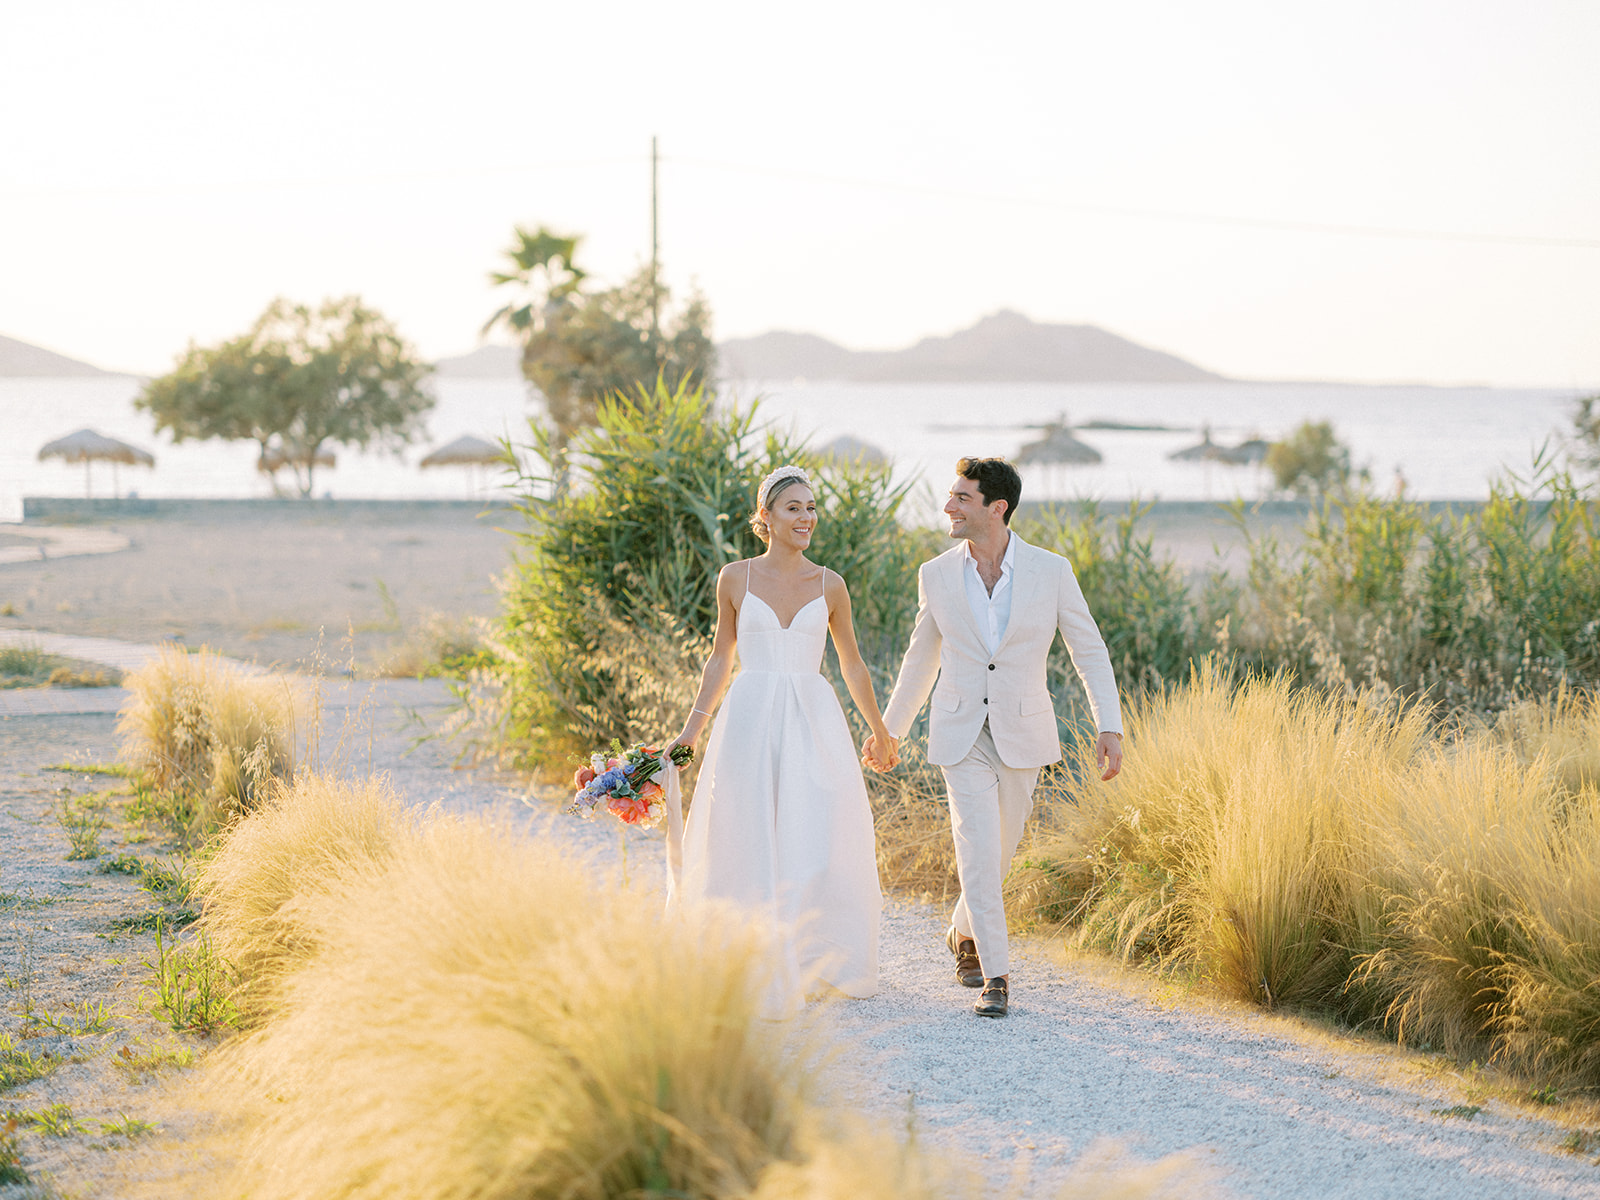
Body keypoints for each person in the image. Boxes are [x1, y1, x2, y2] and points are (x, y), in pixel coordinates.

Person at [867, 457, 1124, 1019]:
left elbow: (1089, 647)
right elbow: (919, 659)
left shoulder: (1050, 571)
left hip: (1023, 730)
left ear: (996, 508)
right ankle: (996, 975)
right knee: (977, 847)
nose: (948, 507)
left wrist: (1109, 723)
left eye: (961, 497)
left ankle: (962, 929)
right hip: (960, 732)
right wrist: (890, 731)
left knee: (999, 852)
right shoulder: (935, 574)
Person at [667, 464, 895, 1009]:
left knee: (813, 827)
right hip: (748, 716)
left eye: (811, 508)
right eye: (794, 508)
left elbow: (853, 665)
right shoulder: (735, 578)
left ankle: (812, 954)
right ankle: (745, 954)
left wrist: (880, 731)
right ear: (765, 517)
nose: (806, 518)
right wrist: (691, 731)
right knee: (742, 829)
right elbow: (720, 659)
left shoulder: (829, 583)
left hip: (812, 717)